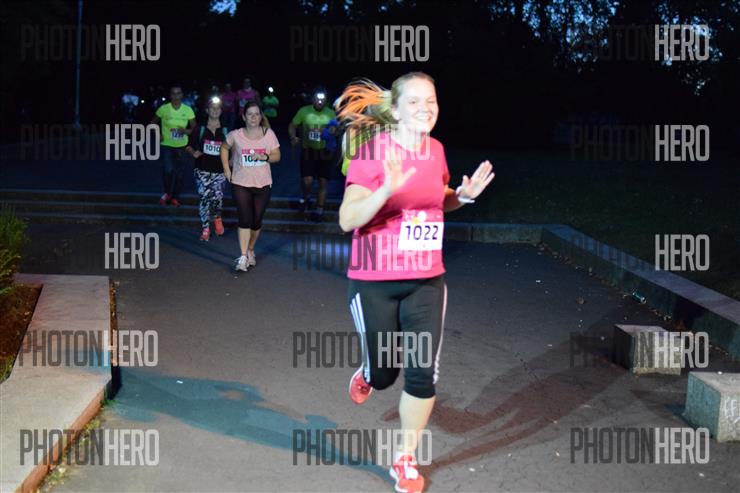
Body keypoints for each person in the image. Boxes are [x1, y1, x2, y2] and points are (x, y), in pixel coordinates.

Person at [336, 72, 494, 493]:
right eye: (415, 101)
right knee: (385, 374)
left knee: (422, 374)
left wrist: (462, 197)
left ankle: (404, 458)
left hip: (427, 280)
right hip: (374, 281)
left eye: (432, 100)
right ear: (395, 109)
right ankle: (369, 372)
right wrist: (385, 189)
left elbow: (436, 198)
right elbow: (347, 219)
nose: (426, 108)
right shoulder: (372, 153)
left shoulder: (435, 150)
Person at [220, 102, 280, 272]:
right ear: (244, 116)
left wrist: (264, 157)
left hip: (263, 183)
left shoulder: (269, 134)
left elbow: (277, 156)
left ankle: (251, 249)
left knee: (256, 221)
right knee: (244, 219)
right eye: (250, 114)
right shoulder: (236, 135)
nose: (253, 117)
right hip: (240, 182)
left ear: (261, 117)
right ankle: (243, 256)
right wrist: (226, 168)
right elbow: (224, 147)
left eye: (256, 114)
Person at [287, 89, 337, 221]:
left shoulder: (331, 113)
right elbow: (292, 125)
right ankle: (306, 197)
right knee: (307, 181)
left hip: (325, 152)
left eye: (322, 99)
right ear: (312, 99)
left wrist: (332, 131)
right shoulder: (304, 111)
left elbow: (337, 130)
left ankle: (319, 210)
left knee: (323, 182)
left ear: (326, 100)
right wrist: (293, 137)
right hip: (308, 151)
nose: (319, 101)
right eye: (317, 99)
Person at [186, 97, 229, 241]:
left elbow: (234, 148)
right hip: (202, 170)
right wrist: (193, 152)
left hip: (220, 171)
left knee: (217, 199)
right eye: (212, 108)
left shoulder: (226, 130)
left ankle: (217, 218)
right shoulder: (200, 129)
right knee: (204, 199)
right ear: (207, 110)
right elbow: (188, 146)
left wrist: (231, 160)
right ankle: (205, 229)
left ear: (221, 111)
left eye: (218, 108)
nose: (215, 111)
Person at [151, 84, 197, 207]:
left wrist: (186, 131)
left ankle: (175, 197)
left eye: (178, 93)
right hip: (167, 145)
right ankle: (167, 193)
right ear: (170, 95)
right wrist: (158, 133)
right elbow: (152, 123)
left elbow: (194, 128)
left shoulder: (188, 110)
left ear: (182, 95)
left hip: (182, 146)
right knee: (168, 170)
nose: (176, 96)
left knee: (180, 173)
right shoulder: (163, 109)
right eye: (173, 93)